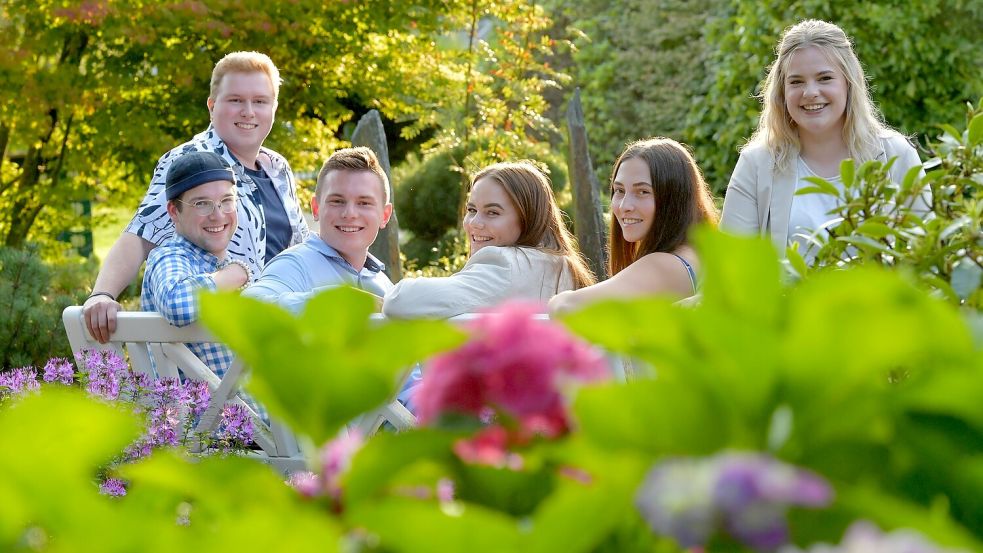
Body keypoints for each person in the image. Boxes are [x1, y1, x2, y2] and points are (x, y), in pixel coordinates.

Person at [83, 51, 309, 343]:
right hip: (221, 350)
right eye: (236, 100)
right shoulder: (192, 160)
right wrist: (103, 293)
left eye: (260, 101)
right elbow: (142, 233)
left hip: (282, 336)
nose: (249, 111)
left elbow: (300, 249)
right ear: (212, 106)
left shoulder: (277, 168)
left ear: (274, 107)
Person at [719, 19, 923, 256]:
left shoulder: (896, 154)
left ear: (848, 83)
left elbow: (924, 257)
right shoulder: (756, 164)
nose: (810, 92)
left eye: (825, 78)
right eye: (796, 82)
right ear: (782, 92)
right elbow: (732, 267)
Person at [383, 161, 596, 319]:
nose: (474, 223)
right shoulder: (566, 267)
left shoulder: (503, 264)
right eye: (472, 209)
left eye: (493, 213)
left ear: (527, 217)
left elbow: (400, 301)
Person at [548, 138, 718, 315]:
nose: (624, 206)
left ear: (675, 199)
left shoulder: (664, 265)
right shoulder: (699, 255)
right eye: (619, 190)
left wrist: (557, 300)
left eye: (642, 192)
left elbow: (565, 307)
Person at [140, 151, 251, 381]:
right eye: (202, 204)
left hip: (242, 410)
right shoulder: (170, 257)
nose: (218, 215)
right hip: (210, 415)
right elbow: (176, 303)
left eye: (226, 201)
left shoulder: (222, 263)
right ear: (174, 211)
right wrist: (235, 275)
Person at [243, 146, 394, 313]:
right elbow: (248, 309)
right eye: (337, 201)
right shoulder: (294, 265)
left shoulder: (384, 284)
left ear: (385, 215)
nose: (349, 214)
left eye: (364, 203)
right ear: (316, 208)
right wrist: (337, 301)